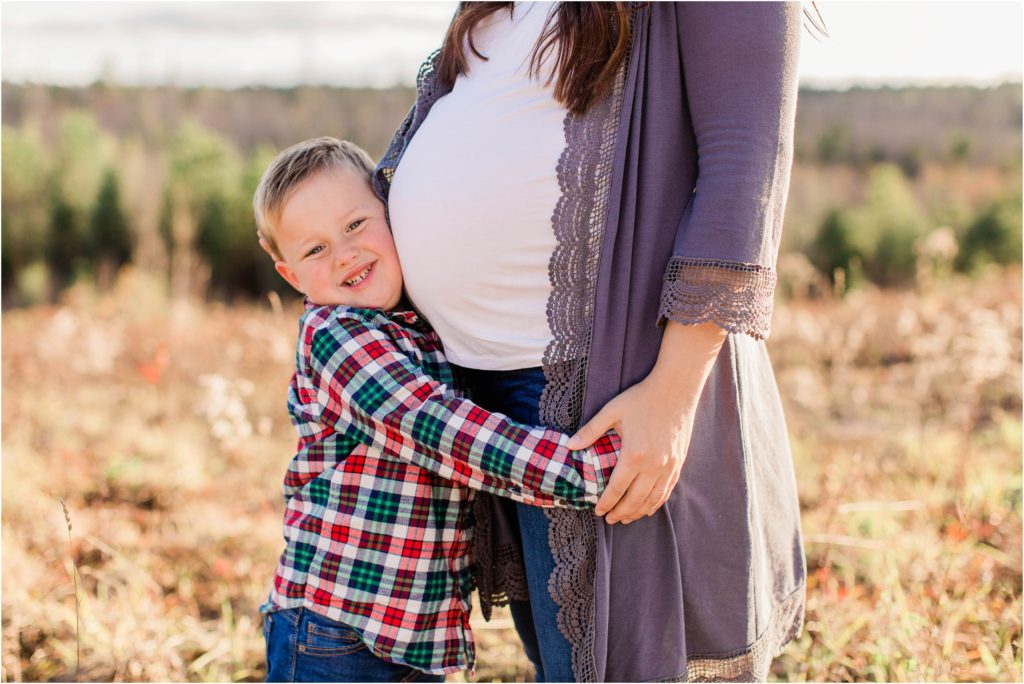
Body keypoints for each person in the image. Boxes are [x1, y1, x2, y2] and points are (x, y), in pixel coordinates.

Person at [376, 2, 806, 681]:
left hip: (608, 389)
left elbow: (744, 169)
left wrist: (670, 395)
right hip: (481, 396)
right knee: (561, 662)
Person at [253, 137, 621, 682]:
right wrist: (589, 469)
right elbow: (447, 433)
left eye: (355, 225)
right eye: (315, 250)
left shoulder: (414, 325)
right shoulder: (338, 339)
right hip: (338, 633)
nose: (345, 254)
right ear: (291, 277)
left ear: (392, 213)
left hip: (407, 634)